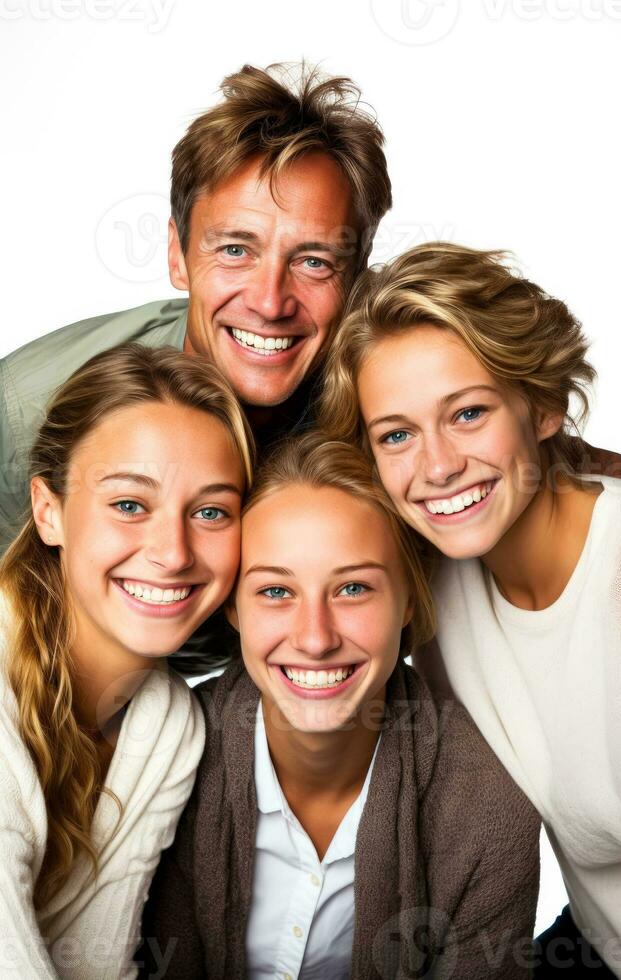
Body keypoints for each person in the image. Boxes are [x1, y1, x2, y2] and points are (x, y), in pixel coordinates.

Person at [318, 242, 621, 979]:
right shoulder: (434, 576)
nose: (436, 467)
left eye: (467, 413)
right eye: (397, 435)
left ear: (542, 407)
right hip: (597, 946)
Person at [138, 432, 541, 980]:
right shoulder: (162, 756)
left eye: (353, 589)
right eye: (276, 592)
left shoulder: (484, 806)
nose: (315, 638)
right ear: (233, 607)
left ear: (410, 597)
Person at [0, 60, 391, 555]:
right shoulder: (25, 410)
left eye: (314, 261)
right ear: (176, 256)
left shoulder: (395, 416)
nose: (270, 302)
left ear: (356, 277)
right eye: (234, 250)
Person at [0, 343, 254, 979]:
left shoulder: (169, 726)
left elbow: (97, 963)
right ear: (48, 510)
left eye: (211, 512)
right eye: (129, 505)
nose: (172, 552)